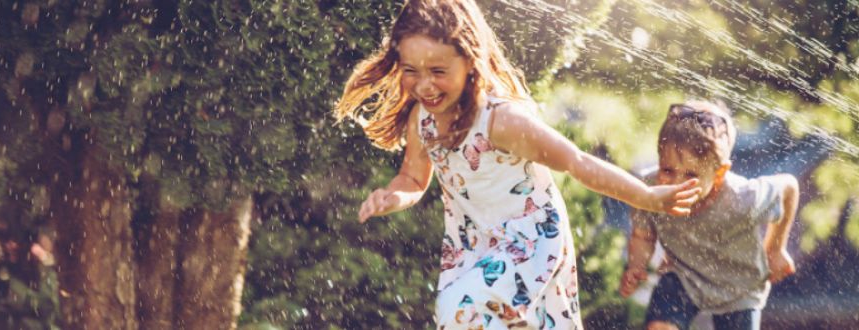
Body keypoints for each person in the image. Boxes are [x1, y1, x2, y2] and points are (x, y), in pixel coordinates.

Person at [334, 0, 701, 328]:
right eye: (411, 70)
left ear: (469, 58)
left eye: (438, 71)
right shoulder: (422, 120)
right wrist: (393, 196)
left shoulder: (501, 121)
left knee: (457, 309)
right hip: (473, 245)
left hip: (530, 237)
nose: (425, 85)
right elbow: (413, 178)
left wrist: (646, 197)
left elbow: (576, 161)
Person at [618, 101, 800, 330]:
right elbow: (644, 235)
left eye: (691, 175)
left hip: (739, 287)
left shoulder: (744, 198)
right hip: (685, 276)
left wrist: (775, 248)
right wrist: (636, 265)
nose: (676, 184)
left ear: (720, 173)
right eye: (667, 170)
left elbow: (789, 187)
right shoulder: (649, 190)